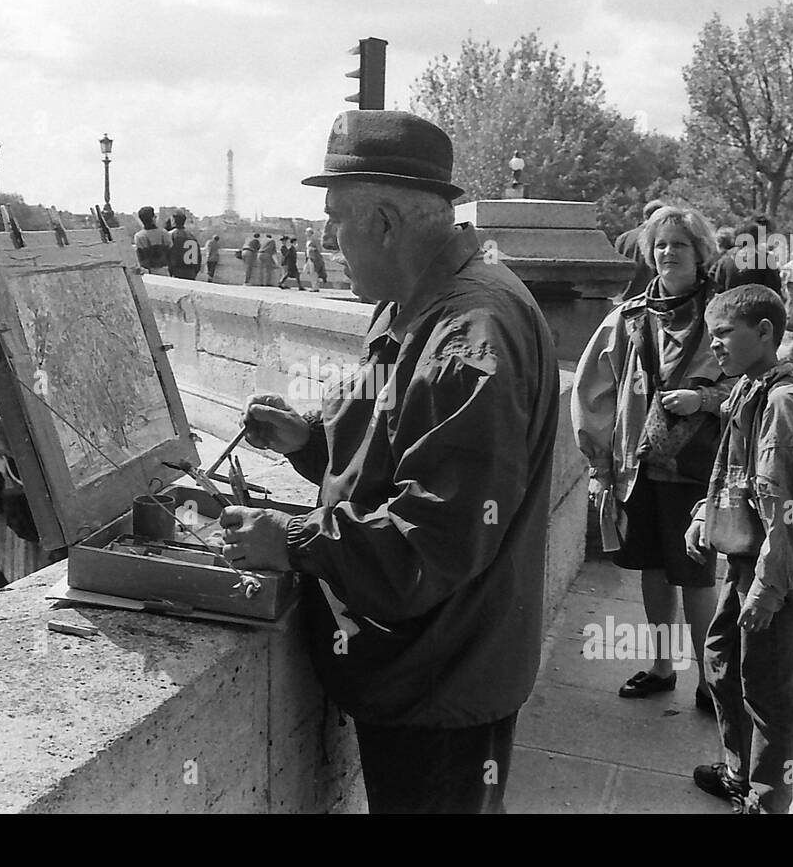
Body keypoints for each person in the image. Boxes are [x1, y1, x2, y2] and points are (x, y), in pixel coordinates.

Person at [217, 109, 560, 813]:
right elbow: (397, 439)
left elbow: (434, 538)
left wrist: (290, 540)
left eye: (334, 221)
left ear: (382, 223)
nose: (327, 242)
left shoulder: (470, 335)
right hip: (444, 663)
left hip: (438, 679)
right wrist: (308, 441)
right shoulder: (423, 299)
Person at [686, 284, 793, 813]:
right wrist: (702, 515)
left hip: (775, 571)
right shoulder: (749, 390)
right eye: (712, 336)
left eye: (726, 334)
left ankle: (767, 798)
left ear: (765, 333)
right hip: (745, 564)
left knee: (768, 693)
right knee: (723, 663)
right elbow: (728, 468)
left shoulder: (784, 403)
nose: (716, 347)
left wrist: (768, 590)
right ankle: (738, 771)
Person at [573, 205, 734, 711]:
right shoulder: (630, 316)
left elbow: (756, 385)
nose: (668, 253)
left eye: (679, 244)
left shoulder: (724, 316)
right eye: (660, 245)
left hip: (699, 469)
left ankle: (710, 681)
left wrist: (704, 400)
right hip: (638, 466)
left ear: (700, 252)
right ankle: (663, 667)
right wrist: (599, 465)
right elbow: (590, 389)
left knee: (697, 575)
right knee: (652, 570)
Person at [614, 199, 667, 301]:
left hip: (625, 299)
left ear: (645, 216)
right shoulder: (660, 237)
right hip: (651, 297)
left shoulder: (623, 239)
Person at [714, 217, 782, 294]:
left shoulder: (724, 261)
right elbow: (774, 288)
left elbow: (717, 289)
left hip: (730, 304)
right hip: (758, 304)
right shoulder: (766, 260)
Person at [133, 206, 171, 275]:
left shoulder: (139, 236)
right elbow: (171, 253)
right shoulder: (164, 233)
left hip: (148, 273)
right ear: (153, 218)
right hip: (164, 270)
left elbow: (142, 257)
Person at [166, 211, 201, 280]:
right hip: (191, 272)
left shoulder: (170, 235)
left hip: (176, 272)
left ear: (173, 220)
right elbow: (198, 256)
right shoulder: (192, 236)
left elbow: (167, 254)